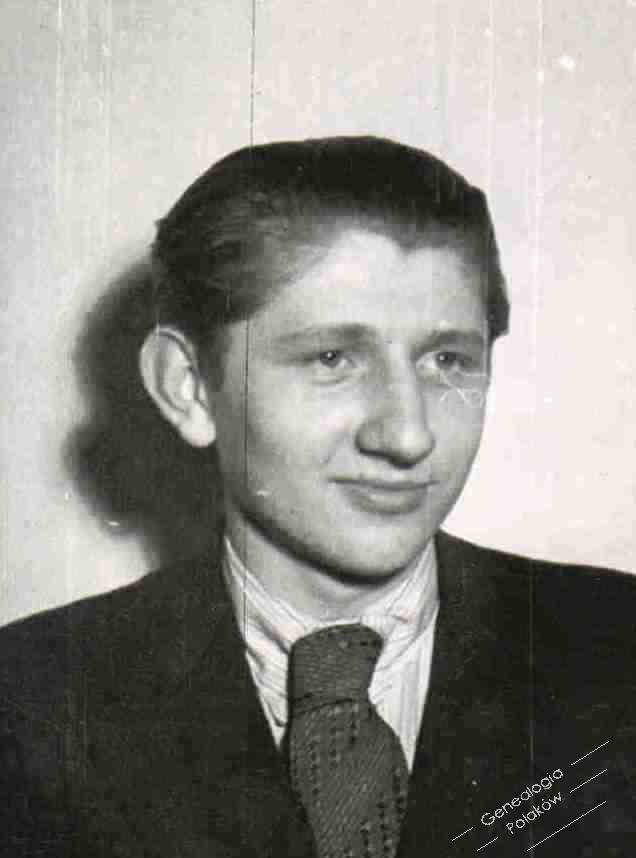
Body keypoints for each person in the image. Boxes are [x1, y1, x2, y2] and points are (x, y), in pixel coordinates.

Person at [0, 137, 634, 858]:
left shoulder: (619, 658)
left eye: (447, 360)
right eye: (332, 359)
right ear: (190, 387)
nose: (408, 434)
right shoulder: (29, 706)